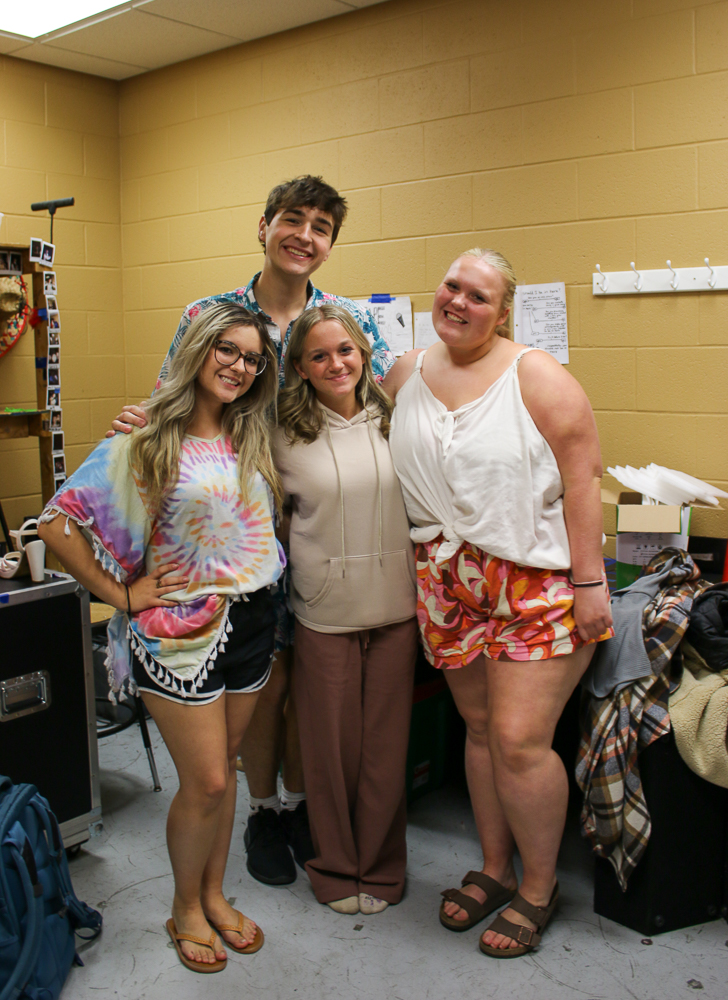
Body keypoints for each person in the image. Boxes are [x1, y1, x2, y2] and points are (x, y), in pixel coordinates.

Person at [109, 175, 395, 888]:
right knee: (263, 685)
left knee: (303, 683)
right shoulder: (211, 313)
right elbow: (171, 398)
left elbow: (385, 398)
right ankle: (262, 810)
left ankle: (300, 805)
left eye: (322, 227)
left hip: (319, 530)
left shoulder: (345, 319)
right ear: (263, 227)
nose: (305, 235)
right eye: (292, 220)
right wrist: (139, 423)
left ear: (331, 245)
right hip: (231, 536)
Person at [39, 302, 284, 974]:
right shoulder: (147, 435)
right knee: (204, 780)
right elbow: (58, 523)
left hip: (253, 620)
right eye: (226, 350)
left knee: (225, 769)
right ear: (200, 350)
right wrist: (119, 594)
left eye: (251, 358)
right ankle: (184, 908)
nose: (238, 366)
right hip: (178, 634)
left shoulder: (250, 433)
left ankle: (213, 893)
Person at [384, 248, 614, 957]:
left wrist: (590, 582)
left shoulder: (534, 373)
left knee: (519, 738)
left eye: (478, 295)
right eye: (452, 285)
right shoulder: (404, 374)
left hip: (532, 580)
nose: (458, 300)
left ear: (503, 311)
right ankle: (493, 867)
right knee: (480, 732)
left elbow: (583, 477)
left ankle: (538, 889)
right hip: (444, 577)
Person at [273, 303, 417, 914]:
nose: (337, 364)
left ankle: (381, 870)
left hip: (397, 608)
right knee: (329, 753)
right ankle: (335, 868)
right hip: (323, 611)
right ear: (301, 369)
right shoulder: (280, 432)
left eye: (347, 350)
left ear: (364, 353)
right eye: (320, 355)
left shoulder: (400, 419)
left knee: (385, 751)